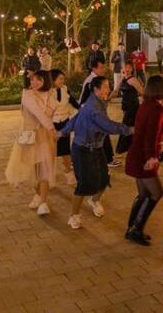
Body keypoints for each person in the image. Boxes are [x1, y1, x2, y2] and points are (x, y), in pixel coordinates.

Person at [59, 76, 133, 230]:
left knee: (104, 179)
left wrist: (63, 132)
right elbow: (108, 126)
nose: (108, 89)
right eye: (106, 86)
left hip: (96, 147)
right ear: (96, 89)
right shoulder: (93, 108)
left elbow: (76, 118)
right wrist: (131, 130)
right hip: (82, 150)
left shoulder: (97, 102)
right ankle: (74, 215)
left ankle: (94, 200)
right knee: (84, 185)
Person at [124, 75, 163, 246]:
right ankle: (136, 229)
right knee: (157, 193)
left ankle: (132, 227)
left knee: (144, 194)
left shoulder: (145, 105)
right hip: (144, 157)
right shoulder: (157, 109)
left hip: (137, 154)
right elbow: (151, 135)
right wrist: (151, 157)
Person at [5, 70, 56, 216]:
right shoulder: (27, 95)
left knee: (44, 168)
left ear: (45, 80)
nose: (34, 83)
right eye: (32, 80)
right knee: (32, 169)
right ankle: (38, 195)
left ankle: (43, 203)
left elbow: (53, 110)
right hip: (27, 133)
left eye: (38, 80)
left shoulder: (51, 94)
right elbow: (39, 114)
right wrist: (51, 127)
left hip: (44, 135)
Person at [79, 59, 121, 168]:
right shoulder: (92, 81)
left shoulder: (95, 79)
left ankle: (106, 158)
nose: (103, 69)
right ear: (94, 68)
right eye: (101, 67)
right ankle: (107, 159)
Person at [50, 69, 80, 186]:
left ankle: (68, 173)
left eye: (63, 78)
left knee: (65, 150)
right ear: (53, 80)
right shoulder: (47, 92)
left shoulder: (65, 89)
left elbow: (72, 101)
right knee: (50, 151)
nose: (62, 81)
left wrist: (81, 110)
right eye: (60, 79)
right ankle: (50, 176)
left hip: (64, 123)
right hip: (52, 124)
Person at [110, 61, 144, 154]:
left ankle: (124, 148)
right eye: (125, 67)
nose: (127, 69)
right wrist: (107, 98)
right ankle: (132, 147)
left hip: (133, 106)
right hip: (125, 106)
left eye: (129, 67)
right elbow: (116, 91)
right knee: (130, 126)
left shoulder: (133, 80)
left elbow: (142, 92)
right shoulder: (122, 79)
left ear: (132, 69)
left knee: (127, 126)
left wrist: (146, 105)